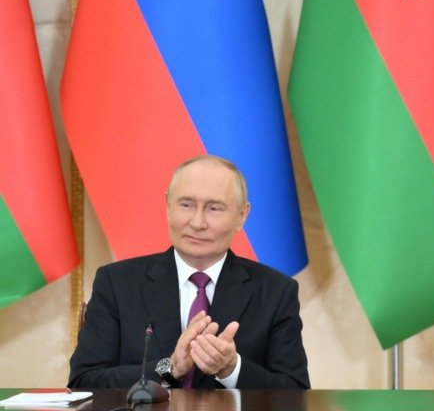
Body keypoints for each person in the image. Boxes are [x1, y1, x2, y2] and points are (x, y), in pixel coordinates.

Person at [69, 155, 309, 390]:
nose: (197, 222)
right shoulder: (117, 283)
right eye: (186, 205)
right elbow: (84, 382)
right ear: (168, 206)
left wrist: (231, 370)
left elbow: (296, 392)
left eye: (214, 208)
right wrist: (170, 369)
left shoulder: (276, 292)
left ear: (242, 216)